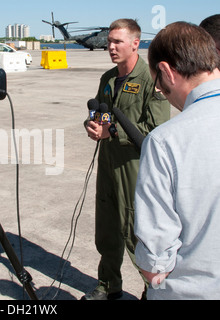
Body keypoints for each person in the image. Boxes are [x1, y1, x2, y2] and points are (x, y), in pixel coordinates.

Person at [82, 19, 170, 300]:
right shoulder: (108, 78)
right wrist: (93, 125)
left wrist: (114, 133)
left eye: (117, 42)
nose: (110, 47)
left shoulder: (151, 81)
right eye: (109, 41)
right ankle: (109, 285)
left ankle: (153, 290)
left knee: (136, 231)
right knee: (106, 229)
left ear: (135, 43)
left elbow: (155, 132)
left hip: (134, 166)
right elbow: (99, 111)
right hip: (108, 162)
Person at [134, 22, 220, 300]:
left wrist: (154, 268)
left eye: (161, 88)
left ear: (167, 72)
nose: (166, 97)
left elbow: (154, 259)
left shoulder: (165, 141)